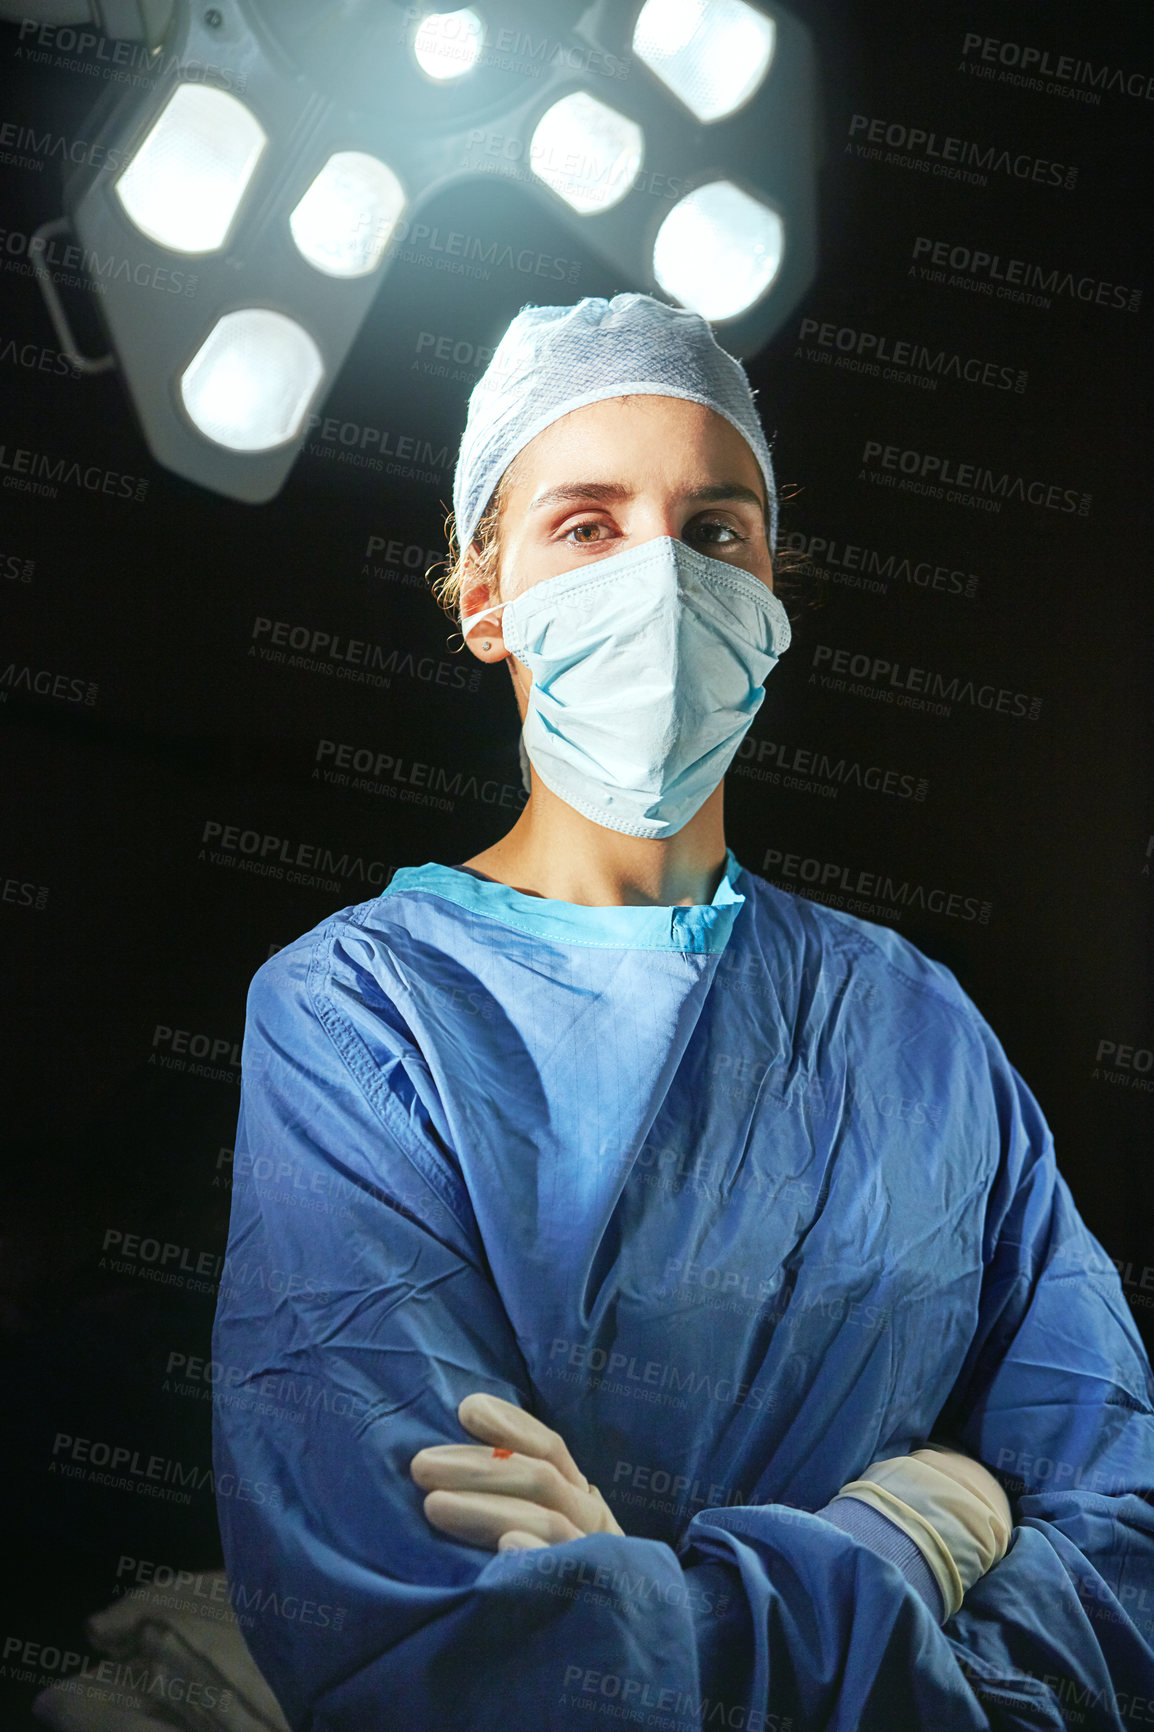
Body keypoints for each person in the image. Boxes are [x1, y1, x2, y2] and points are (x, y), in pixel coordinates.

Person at [212, 294, 1154, 1730]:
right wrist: (904, 1537)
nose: (660, 578)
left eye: (713, 532)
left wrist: (640, 1599)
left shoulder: (917, 1029)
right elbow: (445, 1654)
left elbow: (1120, 1533)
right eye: (585, 526)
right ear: (485, 600)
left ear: (771, 604)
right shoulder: (360, 1014)